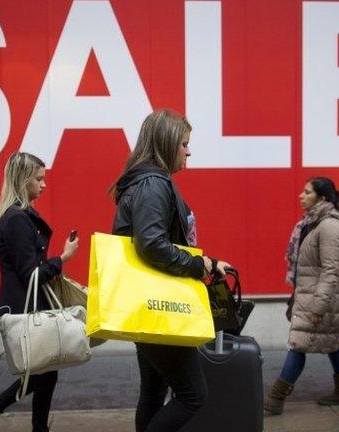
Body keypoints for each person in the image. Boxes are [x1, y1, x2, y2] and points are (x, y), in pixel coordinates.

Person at [111, 109, 231, 432]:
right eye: (184, 144)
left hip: (148, 305)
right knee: (193, 394)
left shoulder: (148, 182)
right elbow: (150, 244)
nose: (188, 151)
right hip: (160, 307)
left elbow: (164, 240)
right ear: (166, 144)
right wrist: (197, 264)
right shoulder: (153, 184)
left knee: (153, 391)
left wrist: (210, 262)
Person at [0, 152, 79, 432]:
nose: (44, 185)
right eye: (39, 179)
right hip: (24, 307)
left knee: (46, 371)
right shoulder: (17, 220)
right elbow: (31, 274)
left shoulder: (20, 216)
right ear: (23, 180)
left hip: (28, 304)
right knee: (40, 371)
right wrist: (63, 258)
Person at [263, 177, 339, 414]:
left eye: (307, 192)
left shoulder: (330, 227)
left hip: (323, 299)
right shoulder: (313, 223)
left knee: (299, 345)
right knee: (334, 344)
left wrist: (317, 307)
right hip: (313, 295)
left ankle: (274, 399)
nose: (300, 196)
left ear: (322, 198)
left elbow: (330, 270)